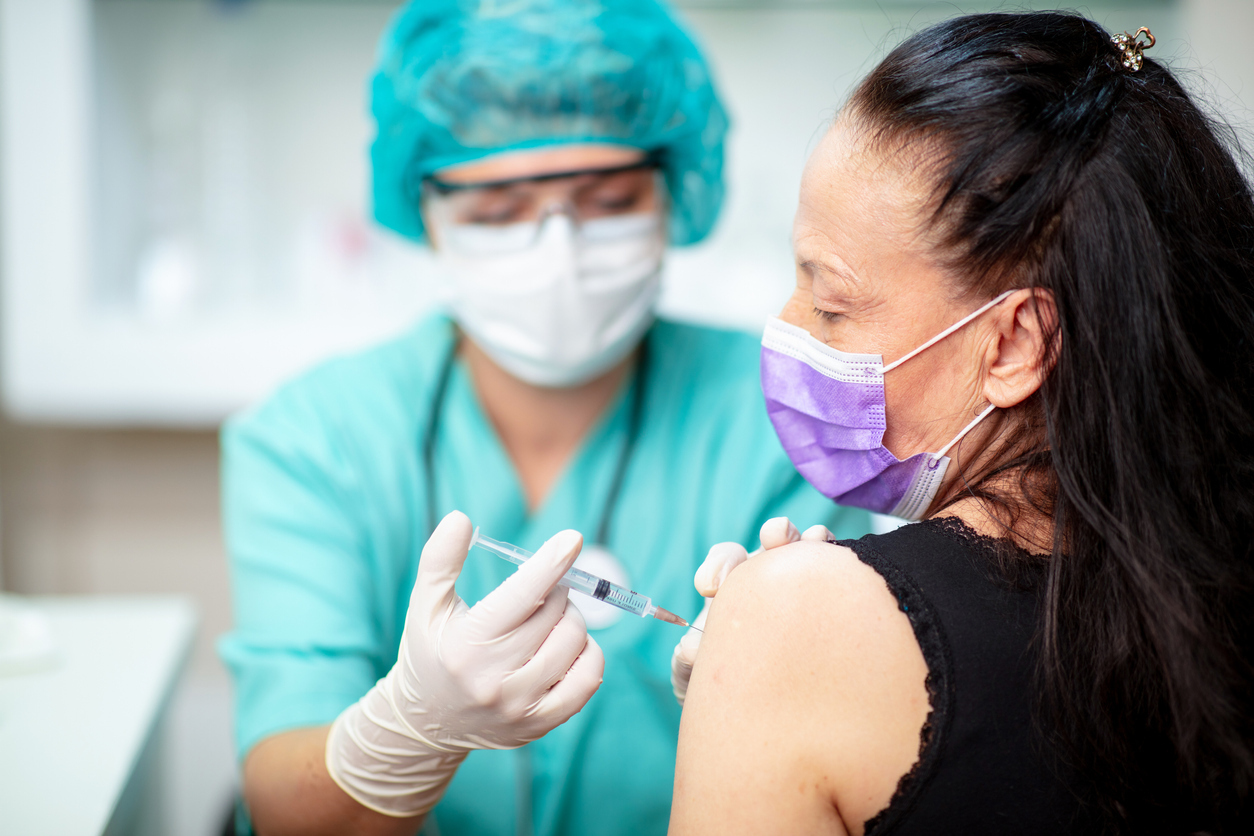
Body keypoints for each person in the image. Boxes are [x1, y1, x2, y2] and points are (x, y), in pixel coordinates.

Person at [217, 1, 871, 835]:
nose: (557, 250)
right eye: (497, 211)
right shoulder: (315, 437)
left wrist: (801, 690)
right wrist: (408, 730)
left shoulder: (780, 415)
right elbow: (284, 812)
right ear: (426, 211)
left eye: (606, 200)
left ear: (672, 193)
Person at [669, 12, 1254, 835]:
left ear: (1013, 343)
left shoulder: (794, 622)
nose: (789, 325)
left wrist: (774, 648)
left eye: (832, 305)